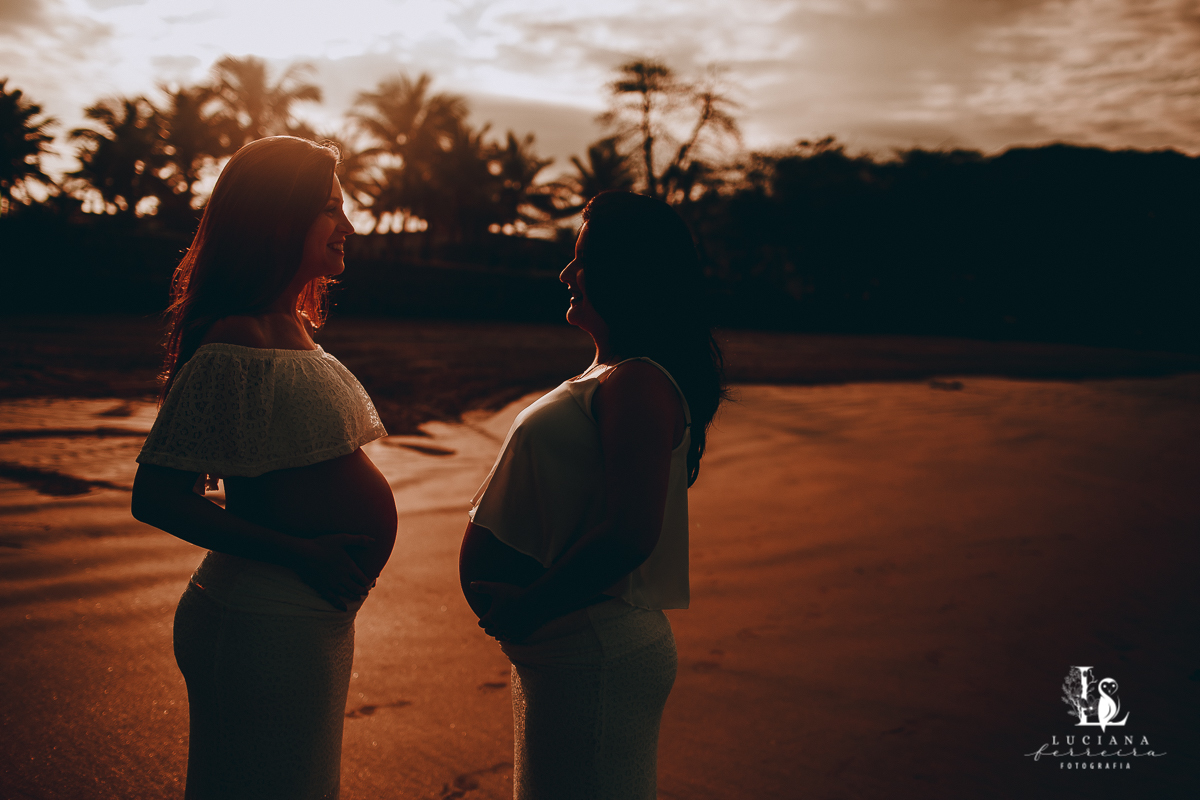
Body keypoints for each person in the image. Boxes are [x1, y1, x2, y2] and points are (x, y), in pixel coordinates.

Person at [130, 136, 397, 800]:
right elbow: (157, 496)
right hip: (261, 616)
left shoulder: (293, 329)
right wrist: (300, 553)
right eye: (331, 208)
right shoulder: (233, 339)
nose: (348, 227)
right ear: (281, 217)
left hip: (305, 615)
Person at [459, 190, 727, 799]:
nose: (566, 274)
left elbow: (631, 532)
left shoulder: (638, 382)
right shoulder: (612, 375)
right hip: (567, 646)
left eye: (581, 259)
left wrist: (529, 608)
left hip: (592, 646)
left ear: (625, 271)